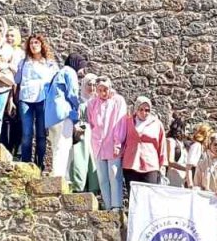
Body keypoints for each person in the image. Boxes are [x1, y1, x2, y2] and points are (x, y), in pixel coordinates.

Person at [15, 34, 59, 168]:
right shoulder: (23, 63)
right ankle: (26, 163)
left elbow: (56, 82)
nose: (33, 45)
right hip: (26, 99)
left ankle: (39, 164)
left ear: (42, 45)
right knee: (27, 133)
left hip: (43, 99)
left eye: (36, 43)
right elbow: (16, 81)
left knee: (41, 133)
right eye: (31, 43)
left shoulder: (50, 64)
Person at [87, 77, 128, 210]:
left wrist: (118, 142)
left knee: (114, 174)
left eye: (105, 90)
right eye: (99, 90)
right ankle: (108, 205)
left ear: (110, 88)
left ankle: (116, 205)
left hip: (112, 143)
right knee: (102, 177)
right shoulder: (93, 103)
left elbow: (120, 122)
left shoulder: (118, 101)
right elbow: (91, 123)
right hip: (98, 143)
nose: (103, 93)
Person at [44, 52, 86, 179]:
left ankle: (56, 174)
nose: (83, 71)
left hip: (51, 117)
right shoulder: (70, 72)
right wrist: (77, 109)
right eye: (82, 66)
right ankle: (59, 177)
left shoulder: (59, 73)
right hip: (63, 114)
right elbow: (72, 93)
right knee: (63, 145)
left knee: (56, 146)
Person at [67, 73, 101, 195]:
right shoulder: (78, 100)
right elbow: (75, 117)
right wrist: (79, 127)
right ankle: (78, 187)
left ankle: (93, 189)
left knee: (93, 163)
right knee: (80, 160)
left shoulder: (98, 102)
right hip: (83, 134)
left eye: (94, 85)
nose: (92, 88)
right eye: (89, 84)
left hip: (96, 135)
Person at [122, 96, 167, 186]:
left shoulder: (157, 124)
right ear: (136, 109)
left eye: (147, 110)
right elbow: (122, 140)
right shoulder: (128, 122)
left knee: (149, 192)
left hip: (150, 164)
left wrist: (163, 164)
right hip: (131, 164)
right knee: (133, 192)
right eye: (141, 109)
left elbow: (162, 145)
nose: (144, 113)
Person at [0, 27, 26, 151]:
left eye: (12, 36)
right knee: (4, 117)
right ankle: (4, 146)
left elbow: (20, 71)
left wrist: (10, 66)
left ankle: (16, 148)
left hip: (17, 88)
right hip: (3, 85)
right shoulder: (2, 50)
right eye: (7, 35)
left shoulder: (21, 53)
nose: (9, 38)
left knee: (17, 118)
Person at [163, 119, 190, 187]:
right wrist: (187, 169)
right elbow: (170, 162)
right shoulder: (171, 141)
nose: (188, 131)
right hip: (173, 178)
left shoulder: (183, 143)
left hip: (182, 179)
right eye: (186, 129)